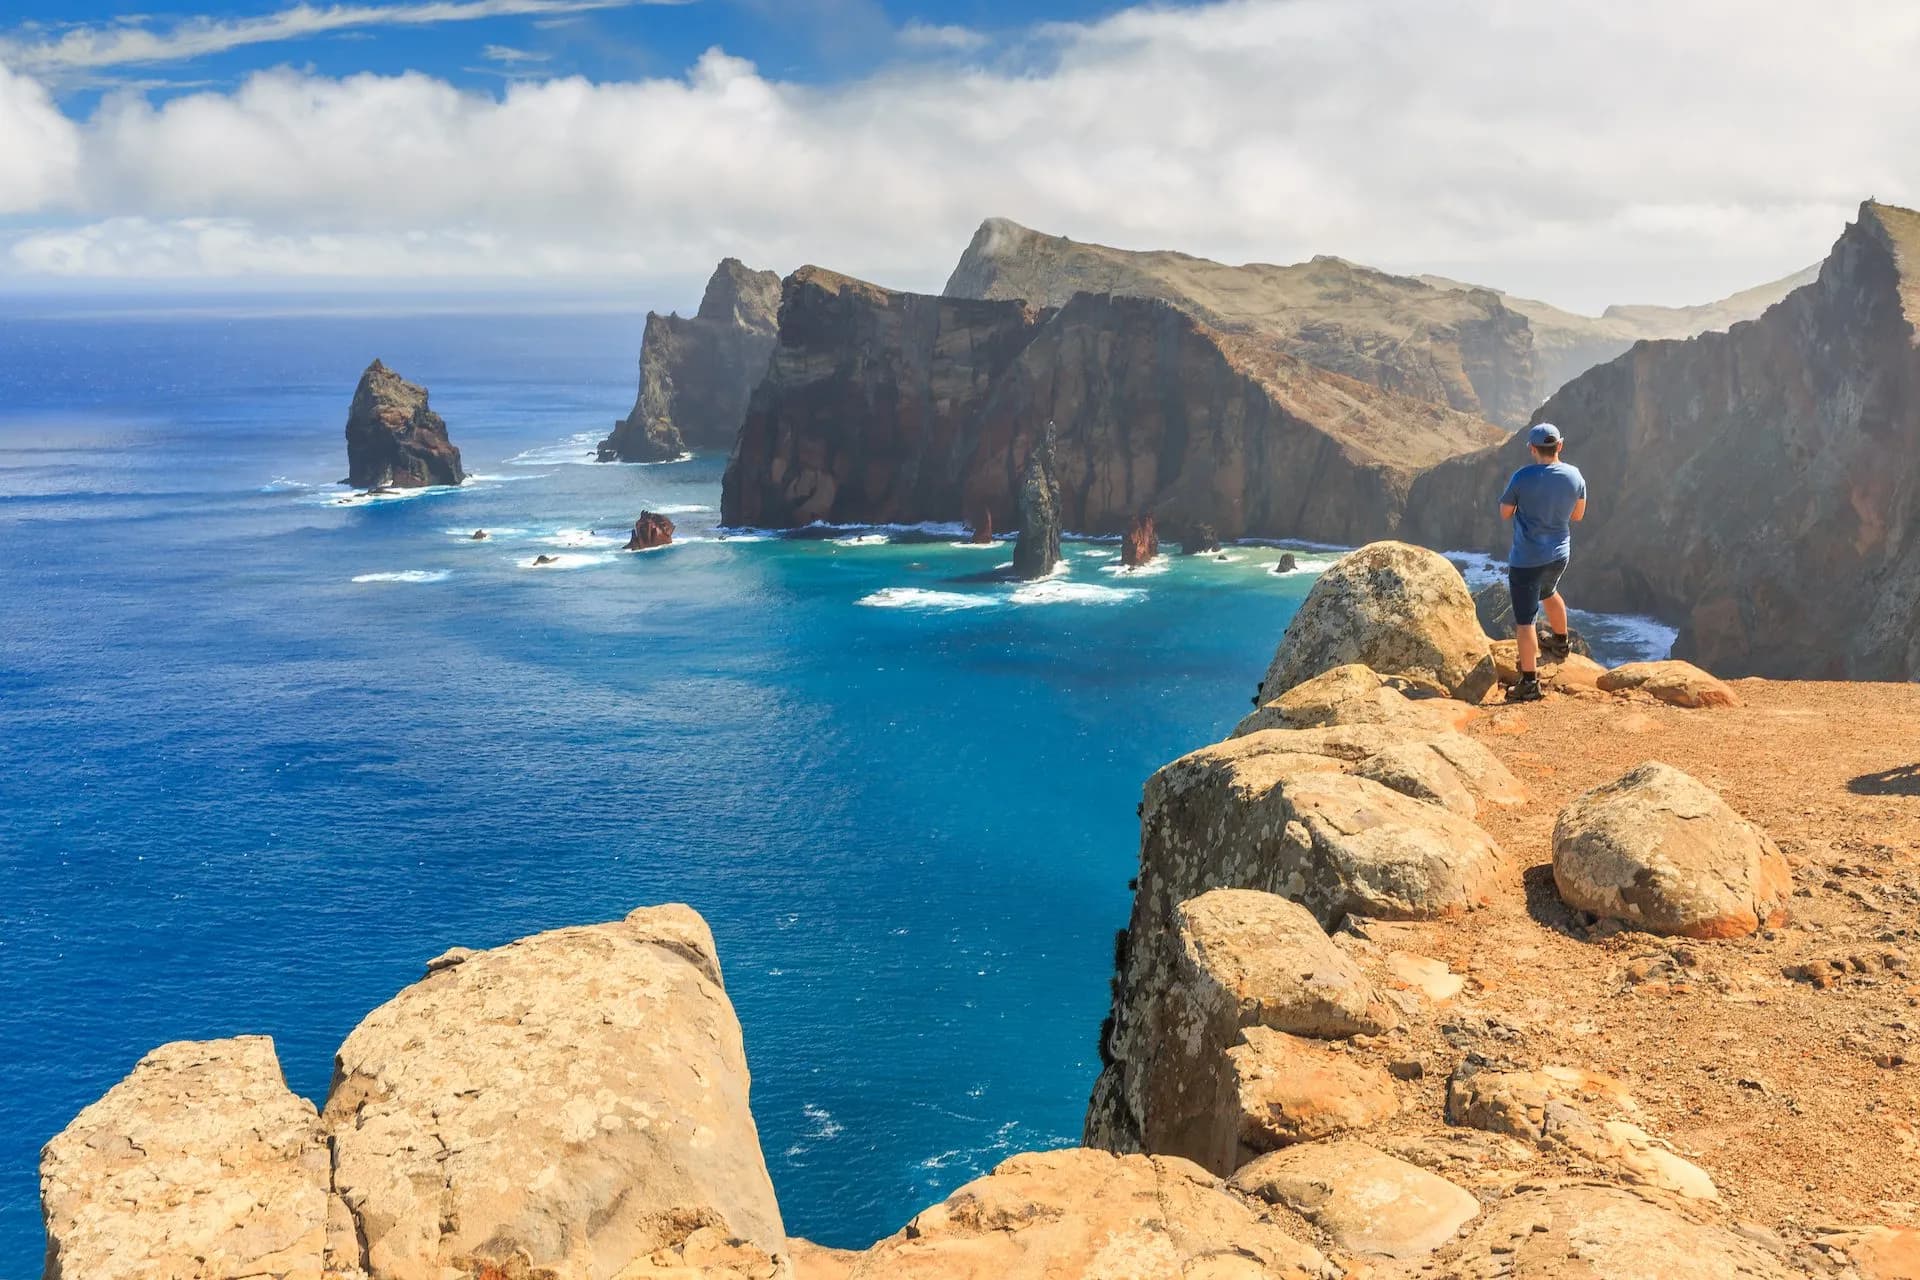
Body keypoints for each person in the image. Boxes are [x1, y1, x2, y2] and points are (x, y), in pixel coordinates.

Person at [1498, 422, 1587, 703]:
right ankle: (1561, 643)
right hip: (1559, 554)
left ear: (1531, 448)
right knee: (1549, 591)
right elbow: (1577, 516)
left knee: (1525, 622)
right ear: (1559, 446)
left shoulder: (1522, 477)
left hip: (1527, 559)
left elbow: (1505, 512)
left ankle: (1529, 683)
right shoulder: (1575, 475)